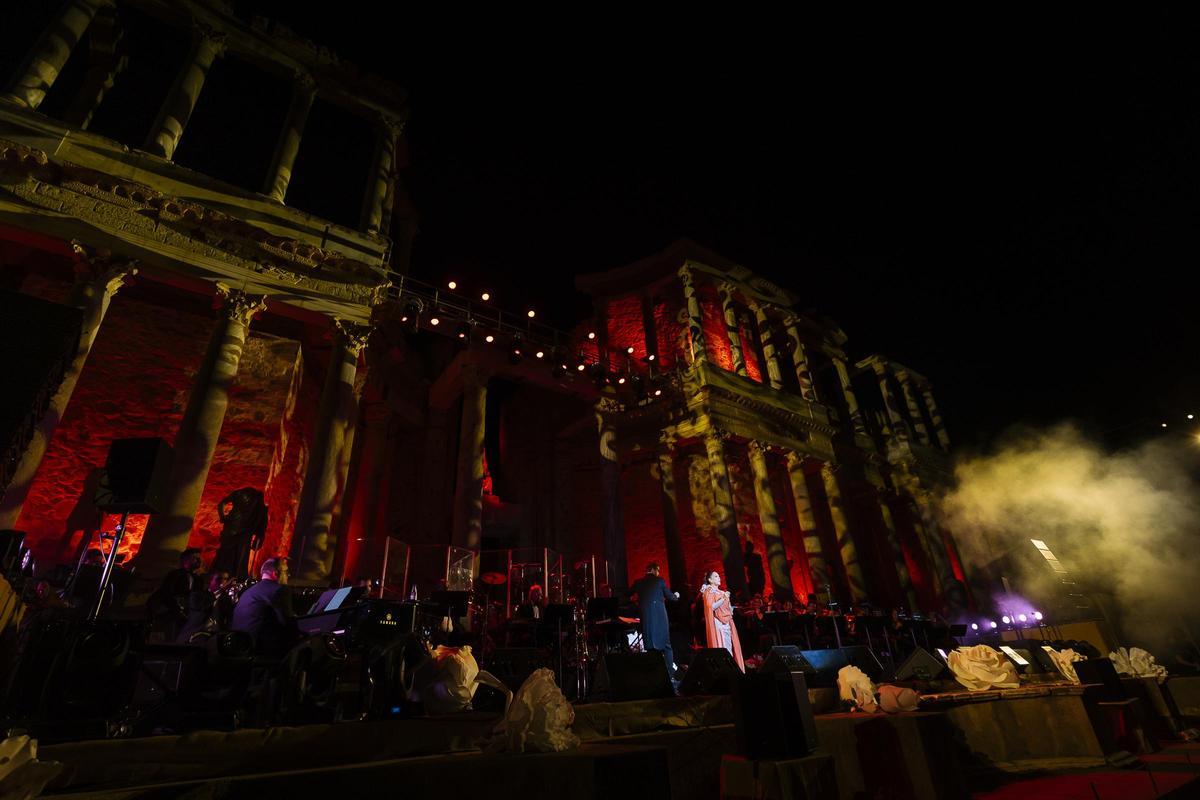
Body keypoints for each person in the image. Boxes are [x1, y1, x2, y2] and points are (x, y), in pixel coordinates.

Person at [231, 557, 296, 656]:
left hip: (238, 646)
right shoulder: (280, 589)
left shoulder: (248, 591)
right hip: (260, 650)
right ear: (275, 573)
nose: (289, 575)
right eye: (286, 572)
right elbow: (288, 622)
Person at [631, 562, 679, 678]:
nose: (658, 573)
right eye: (658, 571)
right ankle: (670, 674)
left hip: (646, 618)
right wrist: (677, 595)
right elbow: (670, 597)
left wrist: (636, 602)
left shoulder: (638, 582)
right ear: (654, 570)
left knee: (650, 646)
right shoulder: (659, 581)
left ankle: (654, 675)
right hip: (660, 618)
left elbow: (627, 594)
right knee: (666, 645)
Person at [147, 548, 203, 640]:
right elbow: (166, 593)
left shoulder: (198, 579)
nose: (199, 561)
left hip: (187, 616)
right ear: (185, 560)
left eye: (200, 558)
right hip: (170, 614)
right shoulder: (175, 575)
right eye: (195, 558)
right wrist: (177, 608)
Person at [212, 488, 268, 579]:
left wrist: (223, 517)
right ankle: (228, 578)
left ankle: (225, 578)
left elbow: (222, 503)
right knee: (235, 560)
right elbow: (222, 503)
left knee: (232, 560)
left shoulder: (244, 495)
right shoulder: (256, 502)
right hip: (236, 533)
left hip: (238, 533)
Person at [700, 571, 744, 671]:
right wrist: (723, 599)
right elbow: (711, 607)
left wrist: (731, 608)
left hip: (726, 623)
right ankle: (725, 671)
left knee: (729, 647)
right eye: (716, 576)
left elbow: (727, 608)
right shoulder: (709, 591)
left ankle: (731, 671)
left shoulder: (722, 592)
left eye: (719, 576)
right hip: (718, 624)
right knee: (722, 646)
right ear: (710, 580)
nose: (719, 578)